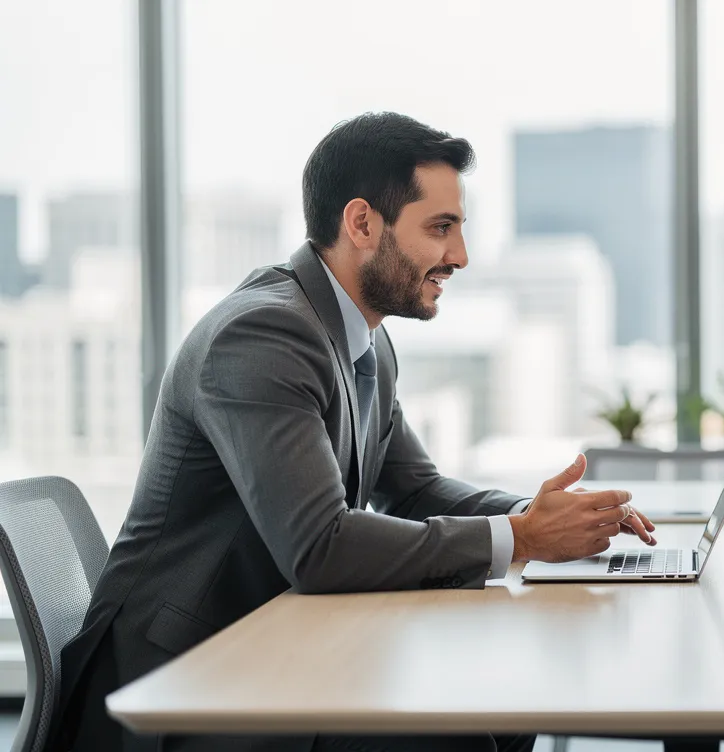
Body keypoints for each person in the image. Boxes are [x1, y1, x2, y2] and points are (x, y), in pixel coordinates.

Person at [54, 112, 658, 752]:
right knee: (466, 732)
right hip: (181, 681)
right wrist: (521, 537)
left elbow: (415, 489)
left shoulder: (362, 338)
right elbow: (321, 547)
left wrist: (540, 518)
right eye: (440, 228)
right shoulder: (262, 336)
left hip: (277, 645)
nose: (460, 256)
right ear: (362, 223)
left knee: (498, 711)